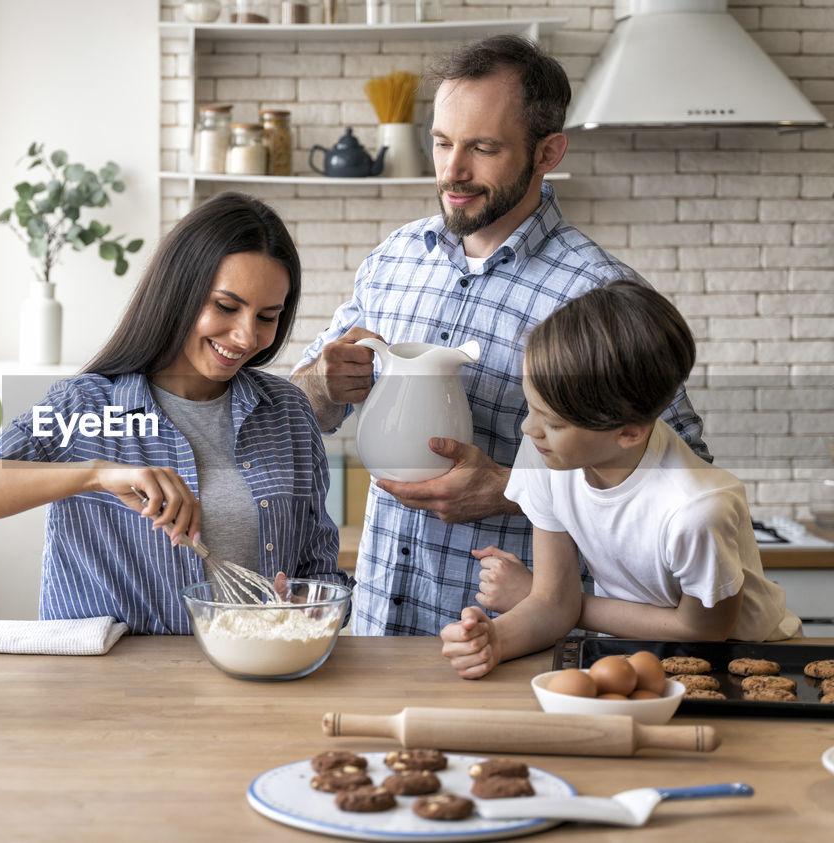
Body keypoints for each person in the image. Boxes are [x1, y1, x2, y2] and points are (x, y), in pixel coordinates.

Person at [290, 34, 709, 636]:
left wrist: (512, 490)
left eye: (482, 148)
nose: (452, 172)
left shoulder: (600, 292)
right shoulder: (395, 258)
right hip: (376, 630)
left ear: (548, 151)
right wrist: (325, 384)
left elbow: (681, 478)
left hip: (521, 643)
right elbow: (298, 413)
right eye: (441, 143)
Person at [0, 192, 351, 634]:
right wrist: (95, 475)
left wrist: (307, 603)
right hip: (106, 690)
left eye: (268, 316)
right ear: (179, 293)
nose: (247, 336)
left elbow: (319, 566)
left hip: (253, 677)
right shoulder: (85, 407)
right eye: (225, 307)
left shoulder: (286, 412)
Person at [440, 281, 800, 678]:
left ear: (630, 432)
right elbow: (552, 604)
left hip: (751, 661)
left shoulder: (696, 510)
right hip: (640, 655)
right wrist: (496, 639)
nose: (530, 428)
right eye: (531, 406)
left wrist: (542, 596)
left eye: (554, 421)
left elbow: (705, 630)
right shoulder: (548, 455)